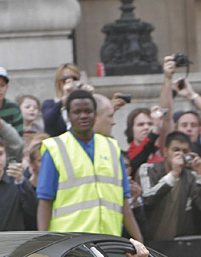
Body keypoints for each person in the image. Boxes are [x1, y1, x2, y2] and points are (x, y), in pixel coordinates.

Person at [36, 90, 143, 241]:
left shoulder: (112, 148)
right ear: (68, 116)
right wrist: (43, 243)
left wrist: (139, 241)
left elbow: (124, 202)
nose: (83, 116)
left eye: (88, 111)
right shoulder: (55, 148)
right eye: (77, 112)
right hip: (68, 244)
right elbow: (45, 202)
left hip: (107, 242)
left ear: (95, 115)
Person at [138, 131, 201, 240]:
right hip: (150, 243)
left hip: (179, 245)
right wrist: (173, 174)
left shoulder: (190, 176)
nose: (180, 154)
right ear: (165, 151)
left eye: (185, 151)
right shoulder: (148, 169)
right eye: (176, 150)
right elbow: (147, 199)